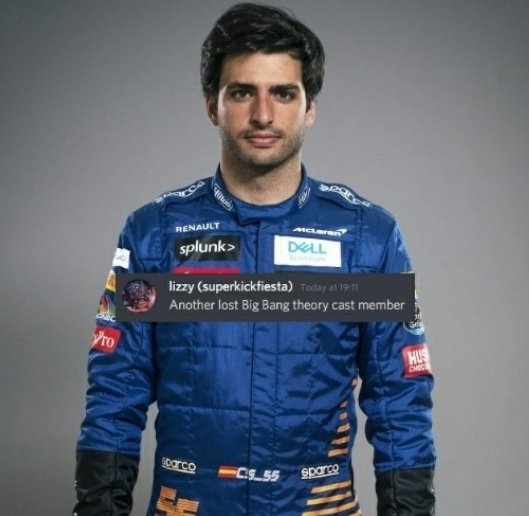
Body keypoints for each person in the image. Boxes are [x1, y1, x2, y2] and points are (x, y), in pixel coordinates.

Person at [74, 3, 436, 515]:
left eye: (283, 93)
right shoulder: (155, 233)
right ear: (212, 106)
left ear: (309, 107)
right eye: (242, 92)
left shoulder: (365, 238)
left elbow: (400, 401)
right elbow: (117, 390)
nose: (263, 115)